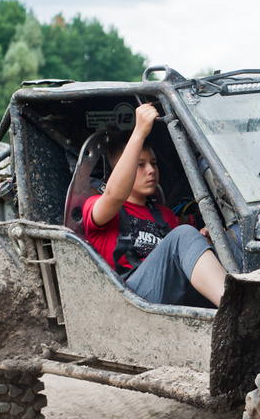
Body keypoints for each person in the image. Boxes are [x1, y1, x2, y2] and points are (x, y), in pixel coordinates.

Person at [83, 103, 227, 307]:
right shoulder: (97, 207)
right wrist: (139, 133)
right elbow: (114, 195)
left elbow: (180, 257)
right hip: (130, 301)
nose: (150, 170)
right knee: (184, 234)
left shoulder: (165, 215)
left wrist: (204, 241)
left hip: (167, 295)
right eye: (140, 165)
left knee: (223, 239)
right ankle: (235, 309)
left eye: (154, 163)